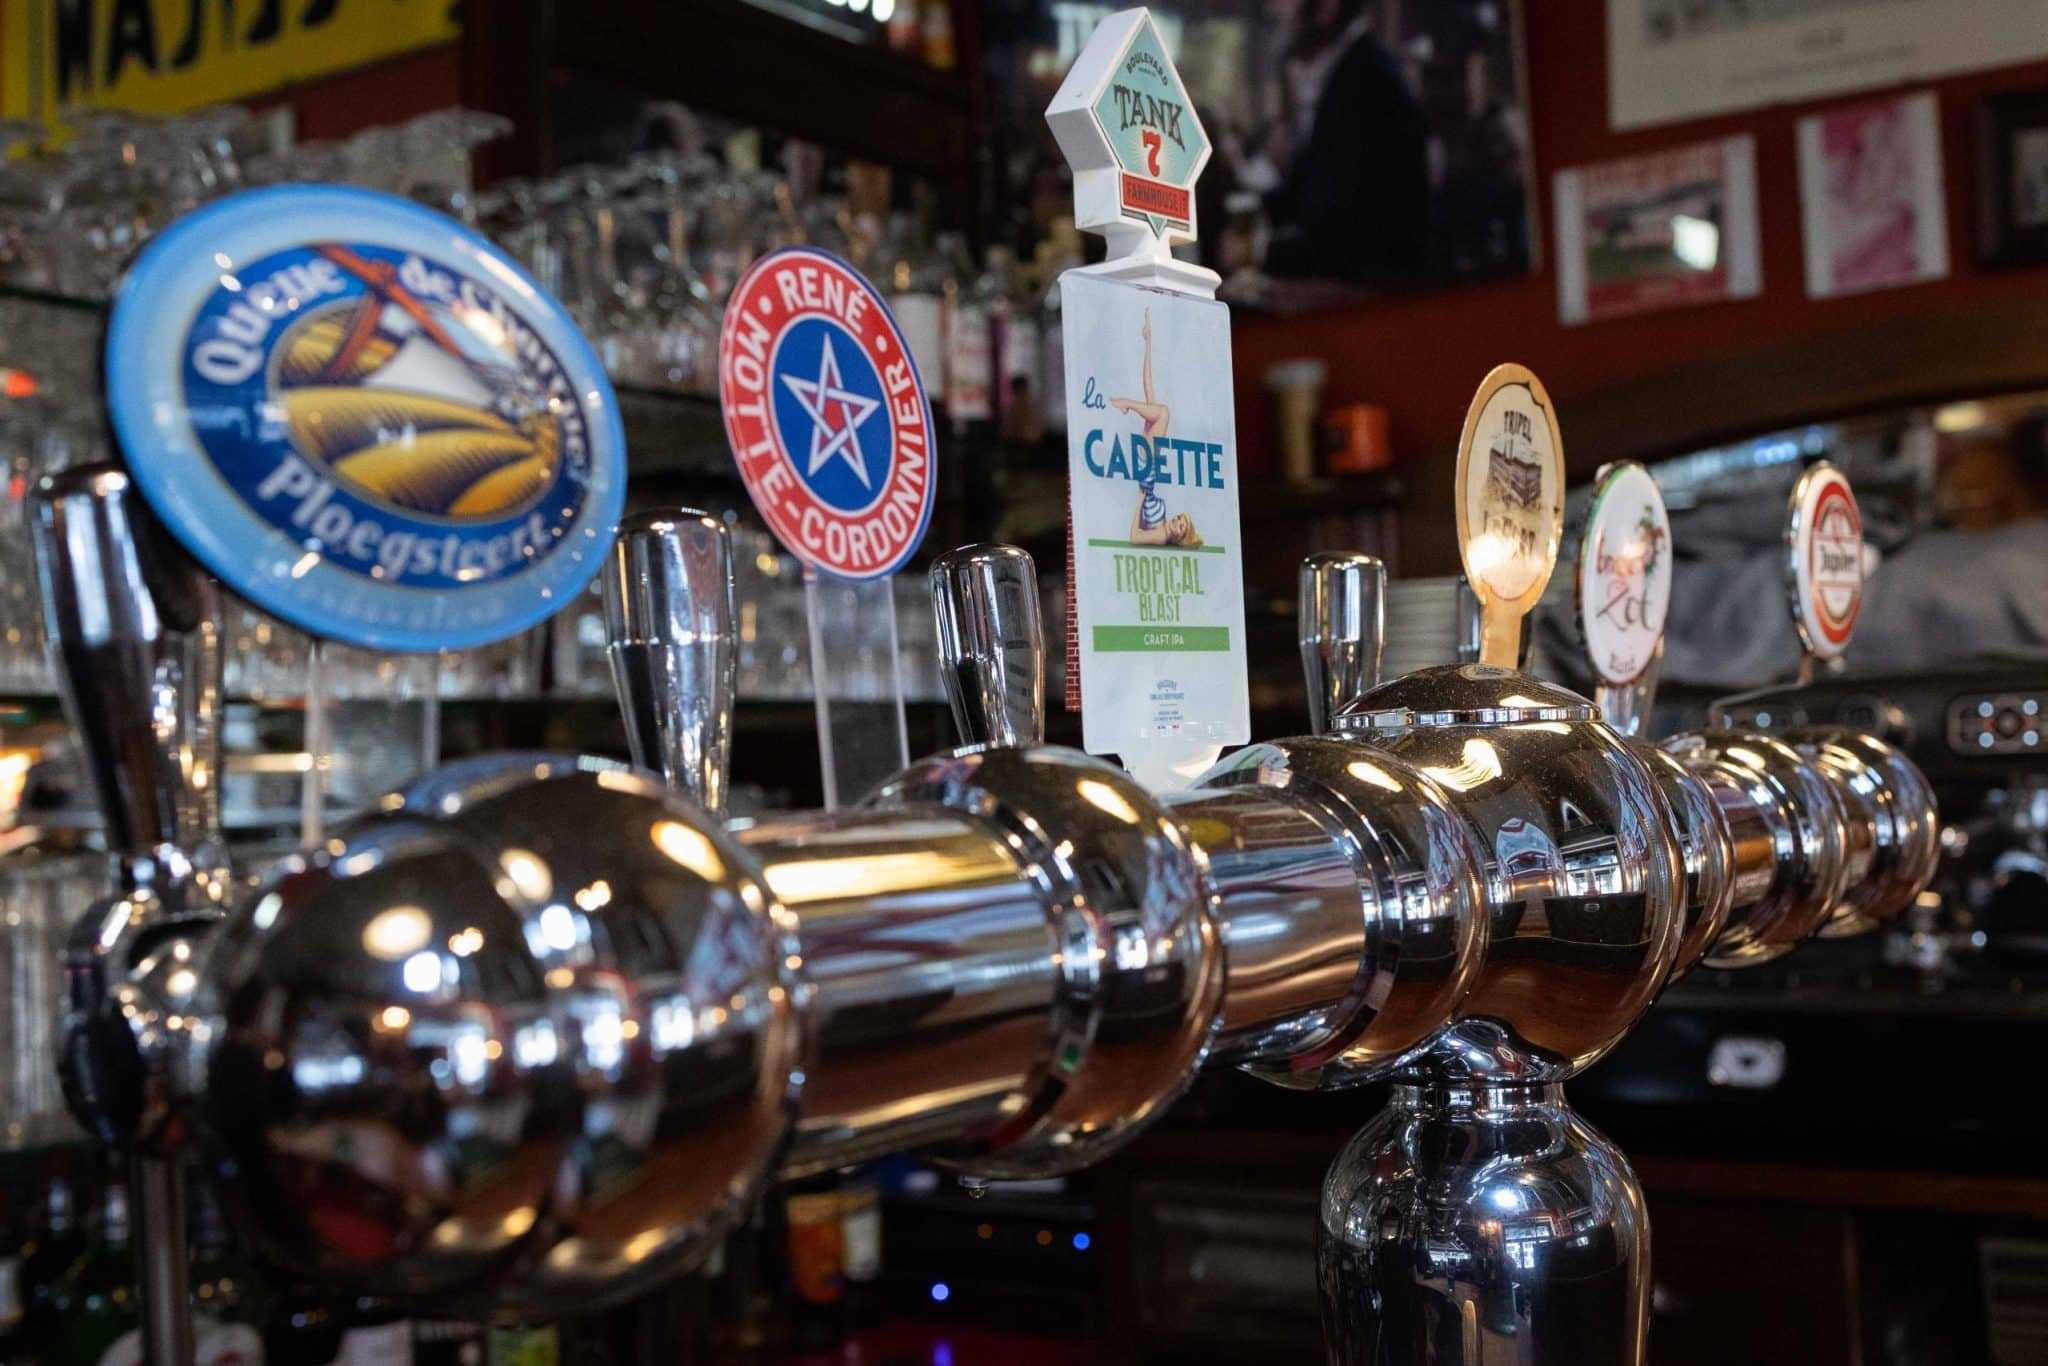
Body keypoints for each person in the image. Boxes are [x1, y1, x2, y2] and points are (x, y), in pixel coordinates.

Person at [1261, 0, 1431, 286]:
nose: (1275, 9)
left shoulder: (1370, 80)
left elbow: (1348, 223)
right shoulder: (1345, 73)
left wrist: (1268, 252)